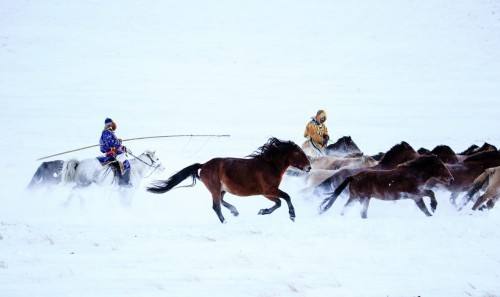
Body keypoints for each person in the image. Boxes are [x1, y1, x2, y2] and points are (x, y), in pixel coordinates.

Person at [99, 118, 131, 186]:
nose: (112, 125)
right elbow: (110, 143)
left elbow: (115, 144)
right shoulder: (106, 132)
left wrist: (122, 147)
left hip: (113, 151)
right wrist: (118, 142)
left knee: (123, 158)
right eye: (111, 124)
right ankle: (124, 182)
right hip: (111, 152)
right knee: (125, 162)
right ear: (109, 124)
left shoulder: (109, 132)